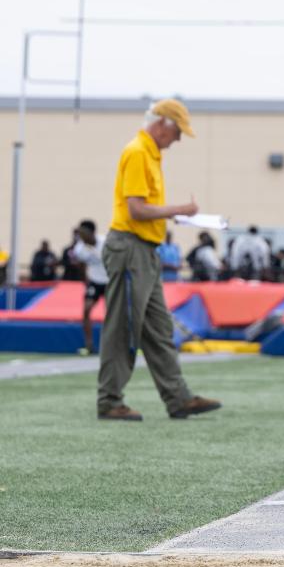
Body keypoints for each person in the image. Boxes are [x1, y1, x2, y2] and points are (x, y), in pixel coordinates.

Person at [97, 99, 221, 421]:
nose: (178, 139)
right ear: (162, 124)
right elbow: (136, 209)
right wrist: (178, 211)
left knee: (159, 329)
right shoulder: (138, 152)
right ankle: (110, 401)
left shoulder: (149, 153)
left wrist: (170, 216)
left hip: (143, 251)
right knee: (123, 327)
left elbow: (143, 210)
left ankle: (178, 398)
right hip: (130, 249)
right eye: (177, 132)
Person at [72, 220, 108, 355]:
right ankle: (89, 345)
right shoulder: (79, 249)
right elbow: (81, 266)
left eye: (83, 233)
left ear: (92, 232)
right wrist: (86, 282)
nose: (80, 236)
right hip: (94, 281)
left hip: (109, 281)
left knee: (111, 314)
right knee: (86, 310)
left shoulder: (105, 243)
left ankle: (111, 345)